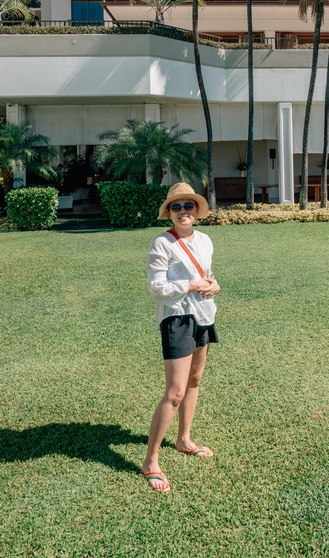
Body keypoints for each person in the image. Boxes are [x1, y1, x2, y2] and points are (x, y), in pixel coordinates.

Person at [141, 183, 220, 492]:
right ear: (169, 213)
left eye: (189, 206)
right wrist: (192, 284)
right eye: (177, 207)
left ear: (196, 210)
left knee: (195, 380)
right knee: (174, 392)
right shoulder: (162, 243)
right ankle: (151, 461)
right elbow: (157, 287)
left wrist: (214, 286)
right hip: (177, 318)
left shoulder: (205, 240)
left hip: (203, 315)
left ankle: (184, 439)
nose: (183, 211)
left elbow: (209, 278)